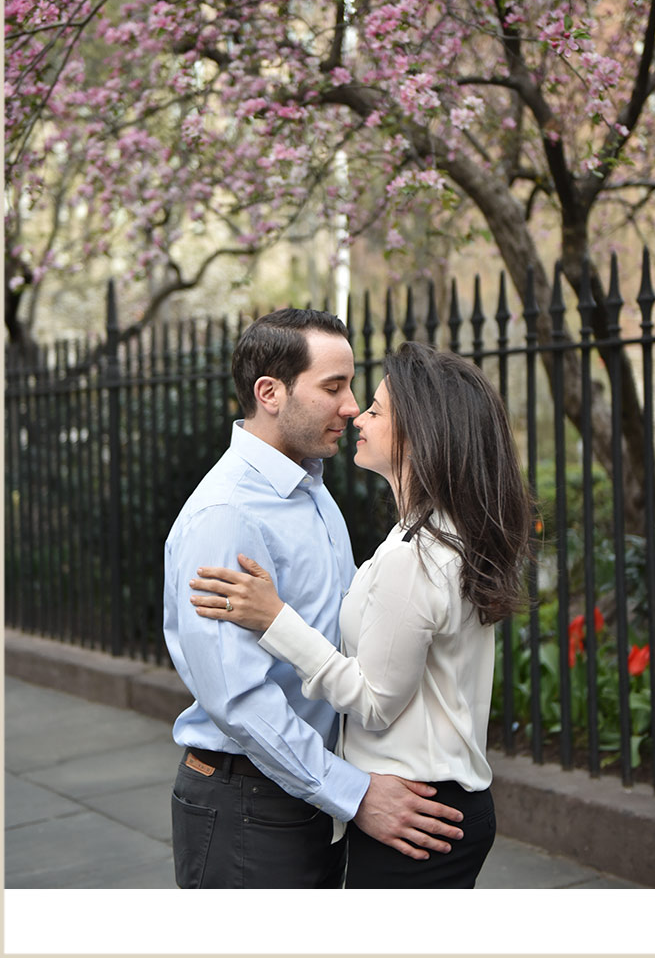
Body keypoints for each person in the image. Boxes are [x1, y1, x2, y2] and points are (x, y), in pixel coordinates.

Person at [188, 341, 532, 887]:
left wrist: (276, 619)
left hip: (413, 808)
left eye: (373, 407)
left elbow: (373, 701)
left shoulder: (413, 552)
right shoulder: (435, 533)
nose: (355, 412)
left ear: (421, 434)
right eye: (338, 389)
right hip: (426, 801)